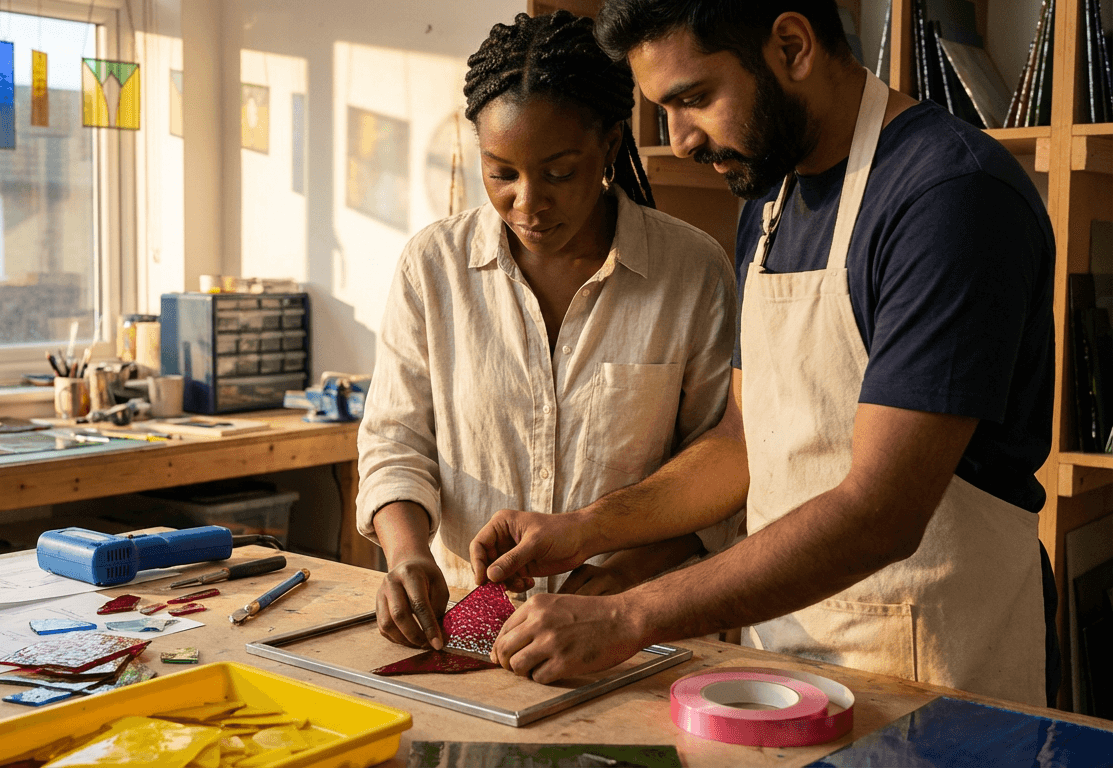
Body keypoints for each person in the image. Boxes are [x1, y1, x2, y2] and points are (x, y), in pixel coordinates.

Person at [469, 0, 1057, 708]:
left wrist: (630, 615)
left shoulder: (950, 198)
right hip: (788, 660)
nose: (682, 139)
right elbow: (743, 441)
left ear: (792, 45)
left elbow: (883, 510)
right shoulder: (770, 198)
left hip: (936, 669)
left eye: (694, 99)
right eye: (665, 110)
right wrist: (584, 530)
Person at [356, 10, 742, 652]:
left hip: (642, 634)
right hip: (467, 636)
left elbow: (719, 477)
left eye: (559, 172)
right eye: (501, 172)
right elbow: (396, 441)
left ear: (611, 147)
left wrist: (612, 585)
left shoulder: (692, 272)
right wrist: (406, 555)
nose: (528, 203)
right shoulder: (434, 268)